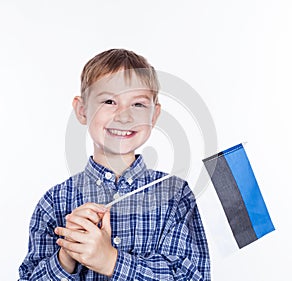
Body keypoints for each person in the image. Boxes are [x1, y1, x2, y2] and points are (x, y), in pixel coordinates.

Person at [19, 49, 210, 280]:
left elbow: (192, 276)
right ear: (82, 110)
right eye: (109, 101)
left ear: (154, 115)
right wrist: (66, 257)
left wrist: (110, 260)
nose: (124, 116)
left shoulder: (175, 194)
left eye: (138, 104)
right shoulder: (55, 202)